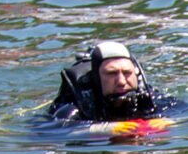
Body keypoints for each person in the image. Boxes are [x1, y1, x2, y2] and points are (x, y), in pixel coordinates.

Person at [44, 40, 175, 127]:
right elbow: (47, 133)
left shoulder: (149, 97)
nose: (122, 81)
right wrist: (107, 129)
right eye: (111, 74)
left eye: (127, 73)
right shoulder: (73, 108)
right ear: (96, 78)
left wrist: (167, 122)